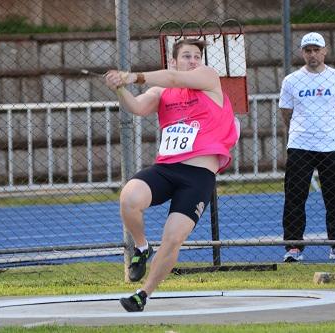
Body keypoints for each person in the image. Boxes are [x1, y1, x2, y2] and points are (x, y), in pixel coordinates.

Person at [104, 38, 239, 312]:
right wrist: (120, 88)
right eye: (186, 56)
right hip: (166, 169)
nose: (192, 61)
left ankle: (143, 293)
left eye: (196, 56)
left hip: (198, 176)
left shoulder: (208, 78)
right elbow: (138, 107)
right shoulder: (162, 92)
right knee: (129, 197)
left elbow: (175, 78)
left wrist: (132, 76)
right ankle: (142, 247)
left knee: (174, 236)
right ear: (173, 60)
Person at [279, 32, 335, 262]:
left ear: (325, 51)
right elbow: (286, 113)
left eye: (316, 50)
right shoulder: (291, 80)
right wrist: (304, 130)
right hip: (300, 145)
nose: (312, 54)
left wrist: (326, 128)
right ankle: (293, 247)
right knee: (295, 196)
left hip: (330, 145)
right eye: (308, 50)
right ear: (302, 53)